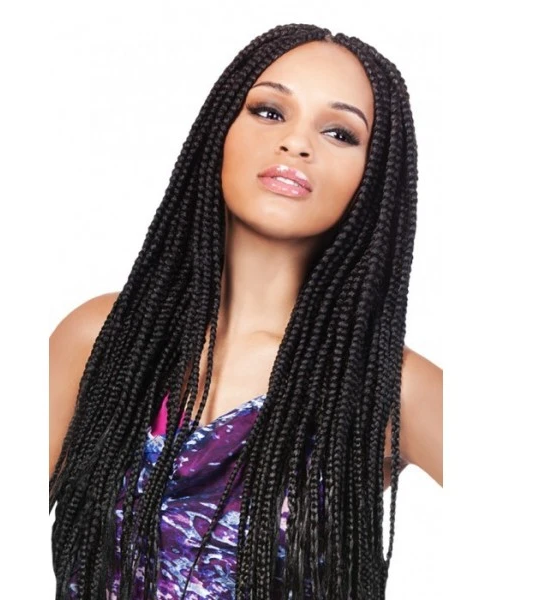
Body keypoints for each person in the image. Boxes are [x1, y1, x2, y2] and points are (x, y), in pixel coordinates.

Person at [49, 23, 443, 600]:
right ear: (220, 131)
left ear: (375, 177)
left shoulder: (389, 386)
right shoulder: (100, 336)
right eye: (269, 111)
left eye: (339, 132)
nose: (296, 143)